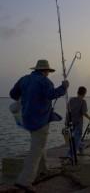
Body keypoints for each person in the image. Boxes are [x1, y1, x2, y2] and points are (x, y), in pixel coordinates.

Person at [9, 59, 69, 193]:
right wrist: (64, 87)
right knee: (36, 150)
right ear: (46, 71)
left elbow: (13, 94)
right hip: (40, 121)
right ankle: (24, 181)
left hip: (27, 120)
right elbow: (51, 94)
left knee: (39, 144)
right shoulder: (45, 82)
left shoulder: (24, 79)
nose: (48, 73)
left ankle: (43, 169)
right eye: (48, 71)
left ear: (35, 69)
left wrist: (26, 97)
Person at [65, 86, 90, 157]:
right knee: (76, 139)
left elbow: (67, 109)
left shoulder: (71, 100)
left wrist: (66, 121)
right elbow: (84, 113)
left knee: (74, 138)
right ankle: (71, 154)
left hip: (70, 122)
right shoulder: (83, 102)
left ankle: (81, 147)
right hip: (78, 124)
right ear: (84, 93)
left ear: (77, 92)